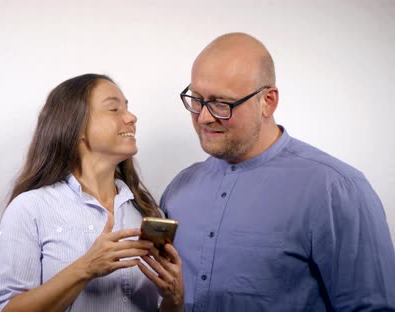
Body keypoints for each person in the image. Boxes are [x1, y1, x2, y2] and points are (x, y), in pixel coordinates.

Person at [161, 32, 395, 311]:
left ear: (268, 101)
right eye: (196, 99)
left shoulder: (336, 189)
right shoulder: (178, 190)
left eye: (222, 103)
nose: (204, 117)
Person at [0, 73, 184, 312]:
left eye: (127, 108)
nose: (131, 117)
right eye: (114, 109)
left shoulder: (147, 214)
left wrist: (174, 300)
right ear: (75, 126)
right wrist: (85, 268)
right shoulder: (30, 208)